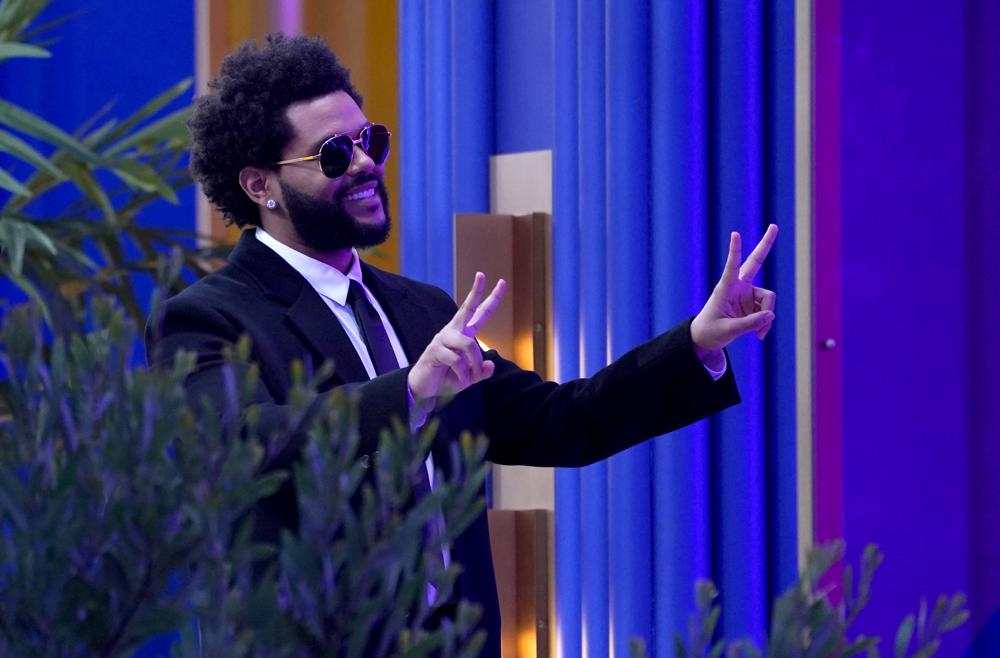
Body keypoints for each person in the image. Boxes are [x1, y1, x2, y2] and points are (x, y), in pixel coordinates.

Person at [147, 33, 778, 657]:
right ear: (261, 187)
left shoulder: (420, 309)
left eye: (372, 142)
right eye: (334, 154)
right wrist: (410, 394)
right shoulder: (207, 319)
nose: (366, 164)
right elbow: (239, 450)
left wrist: (697, 342)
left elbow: (565, 420)